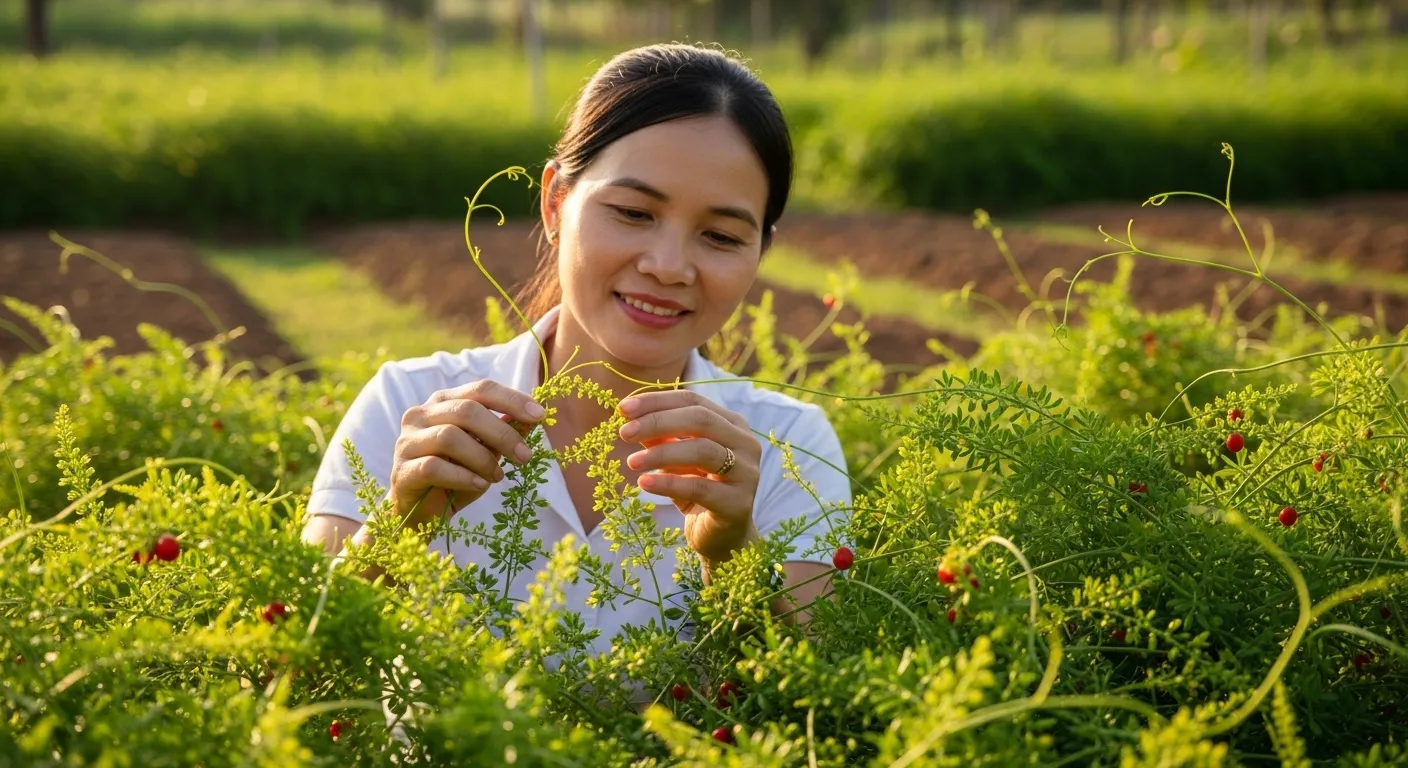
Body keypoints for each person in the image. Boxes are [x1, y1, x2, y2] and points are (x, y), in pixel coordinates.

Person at [300, 43, 853, 666]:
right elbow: (284, 670)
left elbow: (819, 704)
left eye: (720, 236)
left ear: (761, 250)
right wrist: (399, 526)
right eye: (633, 212)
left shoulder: (789, 443)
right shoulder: (411, 406)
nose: (667, 266)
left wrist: (732, 553)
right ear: (556, 203)